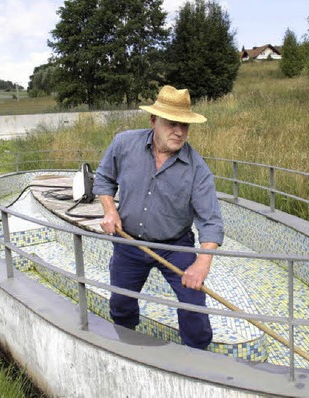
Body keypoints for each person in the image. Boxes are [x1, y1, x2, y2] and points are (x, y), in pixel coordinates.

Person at [92, 85, 224, 349]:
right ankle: (127, 344)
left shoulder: (197, 169)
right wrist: (110, 209)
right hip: (128, 241)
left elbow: (211, 221)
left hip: (173, 246)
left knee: (193, 305)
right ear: (153, 121)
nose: (179, 131)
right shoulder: (124, 143)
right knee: (121, 303)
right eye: (172, 124)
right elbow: (104, 179)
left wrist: (202, 264)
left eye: (185, 125)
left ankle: (198, 358)